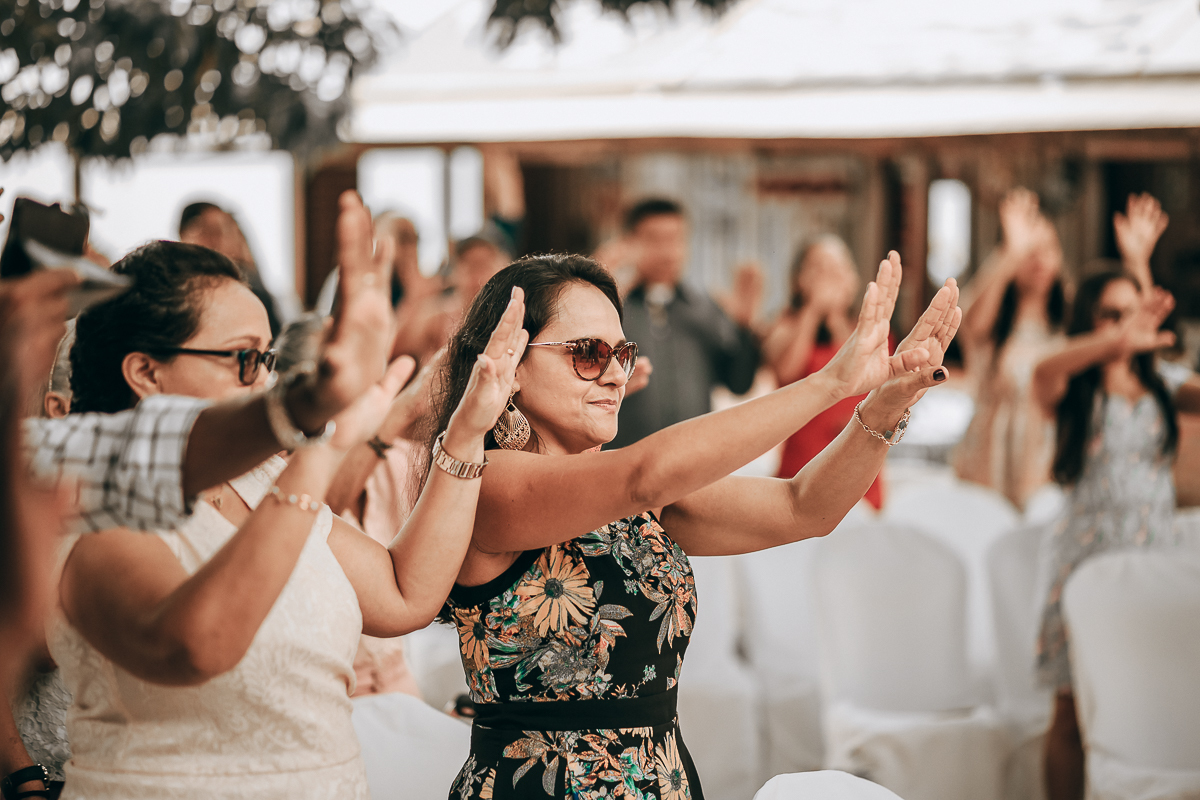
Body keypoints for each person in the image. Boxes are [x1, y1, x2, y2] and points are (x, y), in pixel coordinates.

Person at [428, 250, 960, 799]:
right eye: (587, 354)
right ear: (510, 366)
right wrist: (828, 382)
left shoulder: (631, 499)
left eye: (621, 353)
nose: (614, 373)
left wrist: (885, 404)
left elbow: (805, 508)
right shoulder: (486, 483)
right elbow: (646, 473)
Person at [46, 236, 527, 799]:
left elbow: (405, 593)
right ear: (146, 372)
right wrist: (322, 448)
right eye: (245, 358)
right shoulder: (85, 496)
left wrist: (467, 428)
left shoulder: (260, 480)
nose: (266, 384)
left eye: (268, 360)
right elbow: (196, 646)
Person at [1031, 271, 1200, 800]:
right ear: (1089, 321)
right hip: (1085, 561)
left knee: (1150, 697)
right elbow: (1042, 368)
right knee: (1071, 708)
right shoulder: (1073, 386)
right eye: (1111, 314)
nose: (1126, 326)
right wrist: (1114, 342)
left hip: (1152, 558)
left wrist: (1138, 269)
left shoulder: (1163, 386)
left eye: (1132, 312)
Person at [607, 198, 762, 449]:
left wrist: (743, 327)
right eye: (655, 240)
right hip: (623, 457)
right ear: (630, 243)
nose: (668, 252)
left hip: (692, 460)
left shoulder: (706, 308)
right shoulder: (612, 308)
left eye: (676, 239)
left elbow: (739, 384)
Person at [953, 188, 1067, 509]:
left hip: (1044, 458)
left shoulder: (1065, 321)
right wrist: (1011, 251)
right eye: (1030, 252)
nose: (1039, 260)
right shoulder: (993, 320)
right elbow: (970, 322)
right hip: (988, 454)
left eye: (1048, 249)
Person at [763, 234, 888, 509]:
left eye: (838, 268)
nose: (829, 278)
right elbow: (786, 370)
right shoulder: (785, 325)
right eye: (819, 269)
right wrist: (813, 310)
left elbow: (870, 377)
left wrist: (835, 317)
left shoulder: (871, 331)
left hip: (859, 469)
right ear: (800, 279)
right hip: (800, 470)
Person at [178, 201, 286, 337]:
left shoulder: (251, 293)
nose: (219, 241)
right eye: (210, 231)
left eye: (224, 231)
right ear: (184, 234)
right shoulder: (172, 292)